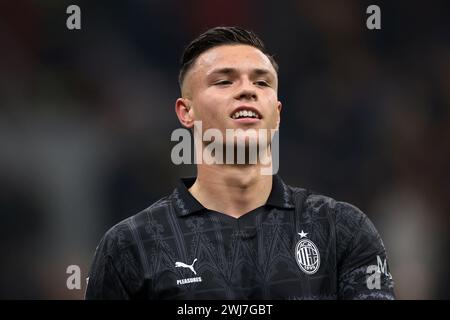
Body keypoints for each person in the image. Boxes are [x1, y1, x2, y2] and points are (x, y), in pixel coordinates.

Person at [85, 26, 395, 300]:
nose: (247, 89)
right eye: (223, 81)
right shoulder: (131, 246)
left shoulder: (342, 230)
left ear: (277, 112)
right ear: (185, 112)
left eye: (262, 83)